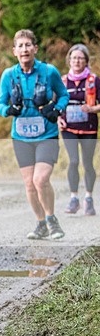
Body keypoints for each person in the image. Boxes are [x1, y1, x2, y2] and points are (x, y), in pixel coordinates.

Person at [0, 29, 69, 239]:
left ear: (35, 48)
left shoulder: (49, 71)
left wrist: (56, 109)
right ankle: (40, 223)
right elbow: (0, 103)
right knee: (29, 183)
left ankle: (52, 220)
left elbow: (64, 95)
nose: (24, 49)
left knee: (41, 179)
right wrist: (8, 110)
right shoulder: (9, 75)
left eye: (28, 45)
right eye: (20, 46)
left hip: (47, 133)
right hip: (21, 136)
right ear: (14, 51)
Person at [58, 44, 98, 216]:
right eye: (74, 58)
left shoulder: (94, 80)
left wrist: (93, 109)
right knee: (73, 161)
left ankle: (88, 198)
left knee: (87, 163)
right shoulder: (62, 80)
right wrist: (58, 118)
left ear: (86, 61)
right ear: (69, 60)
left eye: (80, 58)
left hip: (89, 128)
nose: (77, 61)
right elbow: (56, 103)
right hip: (69, 128)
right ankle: (74, 198)